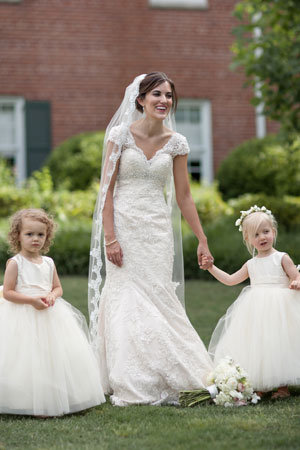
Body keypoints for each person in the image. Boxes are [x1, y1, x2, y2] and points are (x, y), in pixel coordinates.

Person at [88, 72, 214, 406]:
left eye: (169, 96)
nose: (163, 101)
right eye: (156, 94)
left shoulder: (177, 142)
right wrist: (111, 238)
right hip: (123, 228)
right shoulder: (120, 135)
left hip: (158, 230)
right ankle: (129, 376)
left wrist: (202, 240)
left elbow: (185, 196)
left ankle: (168, 370)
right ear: (140, 99)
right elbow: (107, 189)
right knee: (126, 298)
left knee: (158, 299)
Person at [0, 209, 105, 416]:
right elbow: (8, 292)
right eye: (29, 234)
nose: (35, 239)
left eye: (41, 235)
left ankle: (50, 398)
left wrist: (52, 296)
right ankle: (27, 400)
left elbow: (58, 287)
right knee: (25, 358)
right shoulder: (15, 263)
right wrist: (31, 300)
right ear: (17, 236)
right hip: (22, 315)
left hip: (49, 314)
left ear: (47, 237)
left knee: (50, 357)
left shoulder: (48, 263)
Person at [204, 205, 300, 399]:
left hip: (281, 308)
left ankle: (282, 387)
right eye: (256, 234)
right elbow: (231, 280)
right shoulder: (251, 264)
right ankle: (263, 383)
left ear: (273, 232)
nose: (262, 237)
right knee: (260, 345)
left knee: (279, 343)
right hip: (257, 310)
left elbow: (295, 275)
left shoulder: (282, 258)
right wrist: (211, 268)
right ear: (248, 239)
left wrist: (296, 281)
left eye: (266, 232)